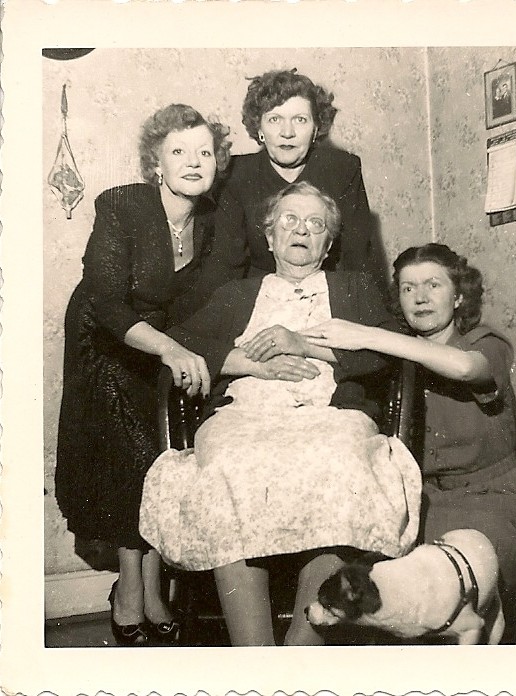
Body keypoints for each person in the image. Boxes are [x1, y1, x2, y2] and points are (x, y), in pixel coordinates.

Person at [139, 182, 421, 646]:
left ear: (328, 245)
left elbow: (390, 352)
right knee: (228, 467)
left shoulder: (354, 288)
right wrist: (247, 363)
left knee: (341, 465)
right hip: (245, 413)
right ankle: (255, 654)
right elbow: (177, 345)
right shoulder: (237, 293)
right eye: (289, 221)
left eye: (315, 224)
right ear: (269, 238)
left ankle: (301, 646)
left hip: (330, 414)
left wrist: (302, 343)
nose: (301, 231)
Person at [54, 104, 239, 646]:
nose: (193, 161)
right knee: (133, 453)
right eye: (178, 151)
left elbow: (206, 303)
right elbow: (108, 303)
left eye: (204, 152)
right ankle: (133, 590)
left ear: (217, 164)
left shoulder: (213, 220)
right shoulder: (123, 204)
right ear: (156, 163)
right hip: (105, 338)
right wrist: (171, 350)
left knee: (166, 450)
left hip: (162, 344)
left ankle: (153, 586)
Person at [303, 243, 516, 641]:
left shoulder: (486, 343)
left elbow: (464, 368)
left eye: (433, 285)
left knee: (453, 583)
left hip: (494, 503)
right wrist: (295, 342)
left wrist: (367, 335)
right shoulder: (392, 356)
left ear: (459, 296)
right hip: (421, 504)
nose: (420, 297)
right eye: (408, 288)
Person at [214, 68, 373, 277]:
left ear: (316, 128)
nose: (287, 133)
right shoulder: (236, 174)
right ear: (259, 128)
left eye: (300, 120)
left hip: (328, 288)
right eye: (274, 119)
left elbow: (358, 262)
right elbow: (226, 267)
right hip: (261, 288)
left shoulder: (343, 169)